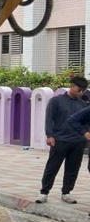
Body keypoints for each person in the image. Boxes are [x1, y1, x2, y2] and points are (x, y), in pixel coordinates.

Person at [38, 75, 89, 204]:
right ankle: (44, 193)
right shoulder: (56, 101)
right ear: (72, 86)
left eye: (83, 90)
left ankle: (66, 192)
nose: (81, 92)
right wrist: (49, 135)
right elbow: (49, 119)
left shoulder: (83, 104)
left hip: (78, 142)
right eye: (79, 89)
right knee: (52, 167)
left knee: (73, 169)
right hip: (60, 140)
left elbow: (86, 123)